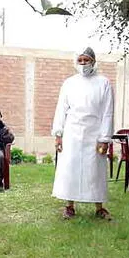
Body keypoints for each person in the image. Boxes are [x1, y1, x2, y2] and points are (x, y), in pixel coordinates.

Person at [51, 47, 114, 220]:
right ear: (76, 61)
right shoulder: (69, 83)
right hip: (72, 132)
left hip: (94, 133)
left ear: (93, 61)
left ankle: (99, 207)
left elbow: (107, 112)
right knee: (70, 169)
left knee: (95, 170)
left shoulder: (104, 83)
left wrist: (104, 138)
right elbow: (61, 109)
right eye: (80, 60)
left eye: (87, 60)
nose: (84, 63)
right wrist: (58, 134)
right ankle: (69, 206)